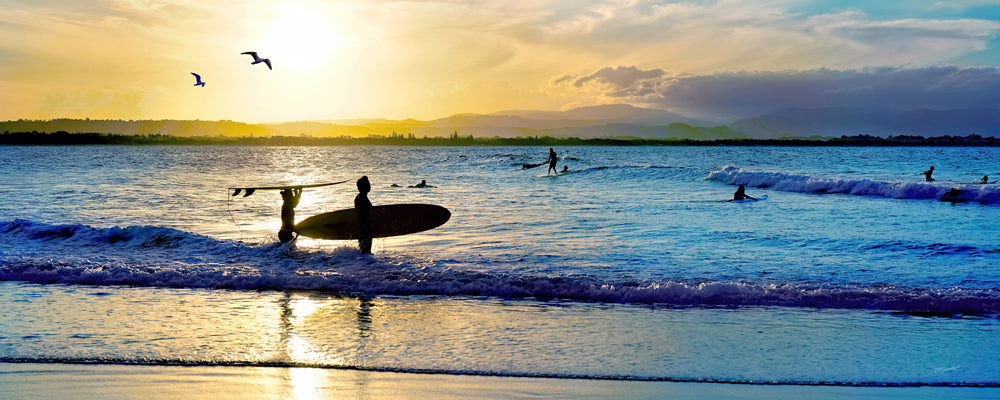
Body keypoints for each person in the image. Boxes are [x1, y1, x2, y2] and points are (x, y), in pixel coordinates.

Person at [355, 176, 373, 254]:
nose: (370, 186)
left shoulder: (361, 197)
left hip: (364, 227)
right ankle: (366, 263)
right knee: (365, 252)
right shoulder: (361, 198)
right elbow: (363, 215)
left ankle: (366, 263)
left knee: (365, 252)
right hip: (364, 228)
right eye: (368, 184)